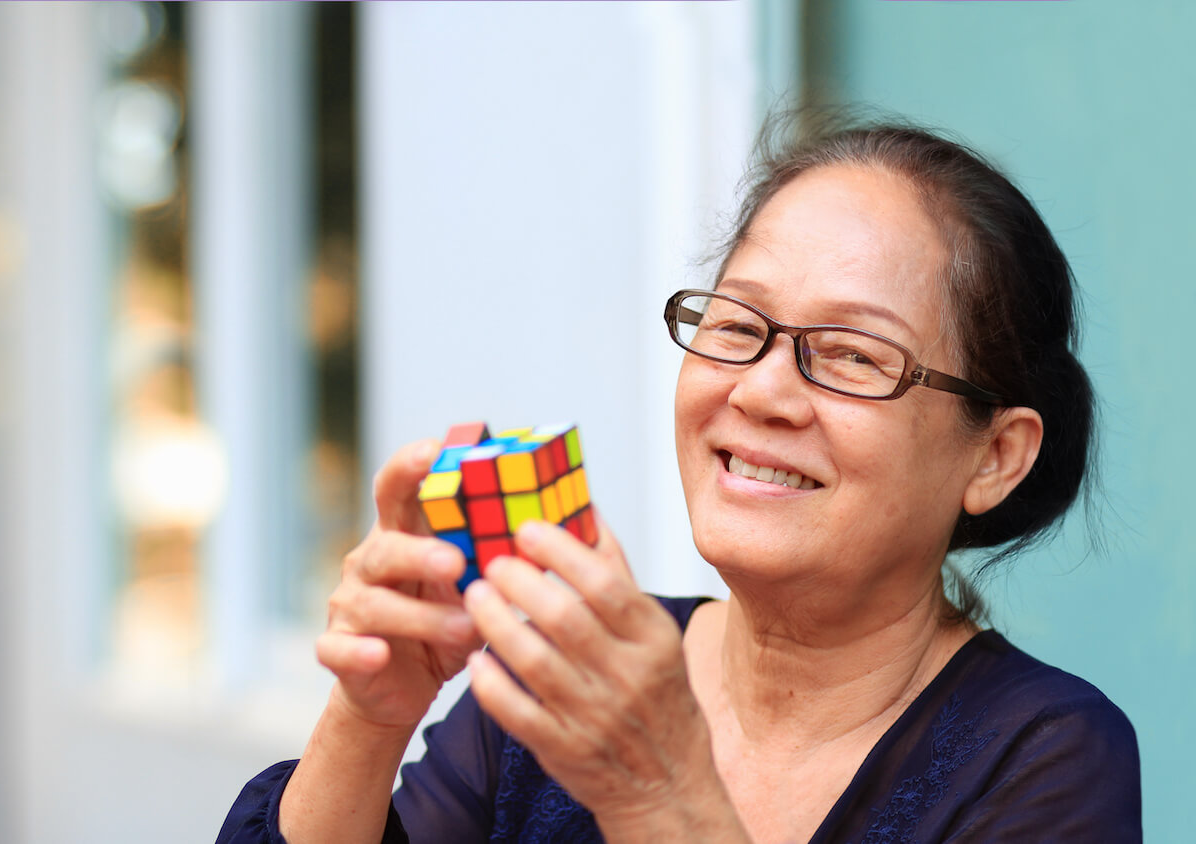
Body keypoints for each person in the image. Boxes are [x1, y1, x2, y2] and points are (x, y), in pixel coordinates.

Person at [218, 114, 1141, 843]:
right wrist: (369, 714)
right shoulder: (564, 672)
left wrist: (662, 792)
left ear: (996, 456)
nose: (763, 389)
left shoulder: (1047, 755)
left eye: (855, 356)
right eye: (738, 326)